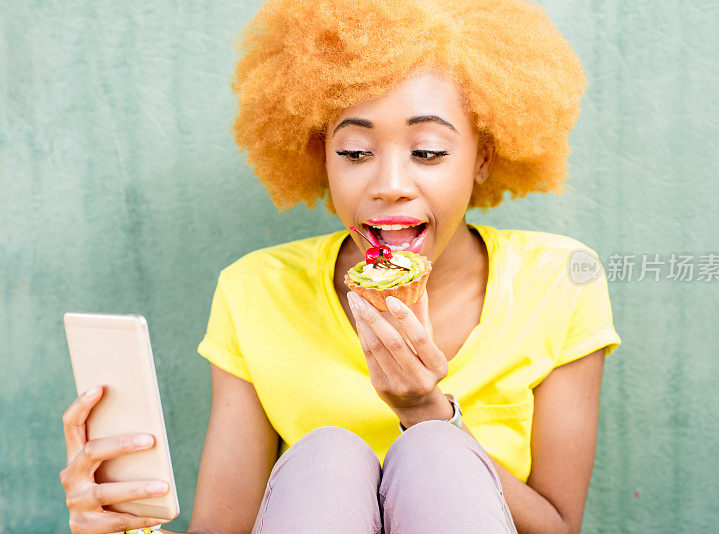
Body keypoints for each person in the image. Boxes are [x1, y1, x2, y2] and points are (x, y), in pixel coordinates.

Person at [60, 0, 622, 533]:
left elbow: (556, 525)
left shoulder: (559, 279)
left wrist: (427, 413)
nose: (390, 186)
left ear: (483, 157)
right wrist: (119, 526)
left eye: (428, 152)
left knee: (435, 455)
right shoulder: (254, 290)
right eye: (355, 153)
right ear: (319, 156)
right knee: (326, 458)